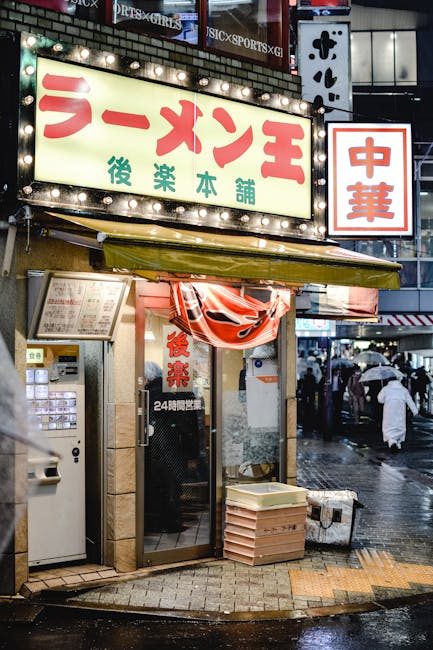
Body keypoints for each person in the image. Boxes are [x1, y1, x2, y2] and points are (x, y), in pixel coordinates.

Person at [377, 378, 418, 450]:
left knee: (389, 428)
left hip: (388, 412)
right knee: (399, 427)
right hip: (400, 412)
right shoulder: (403, 390)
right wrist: (415, 411)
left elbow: (380, 400)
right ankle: (398, 442)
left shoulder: (386, 389)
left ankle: (392, 442)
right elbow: (410, 401)